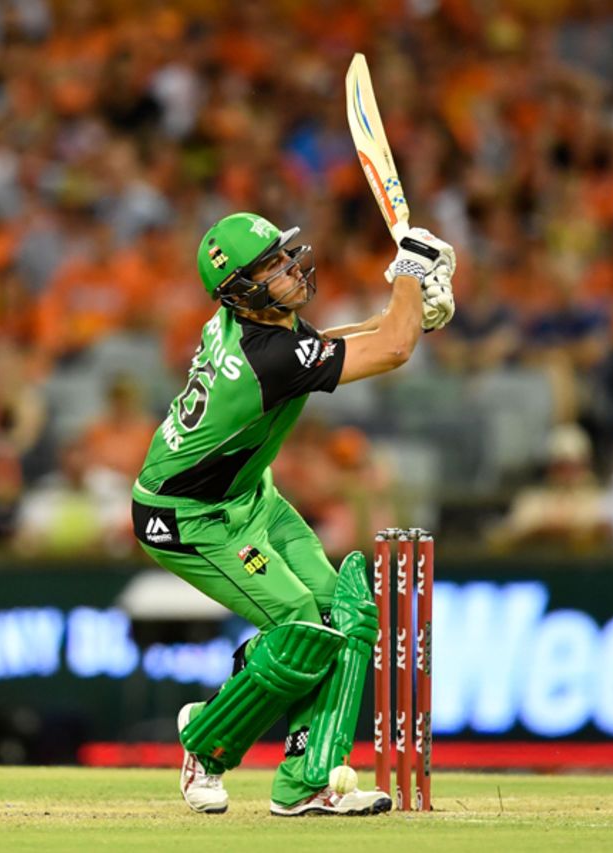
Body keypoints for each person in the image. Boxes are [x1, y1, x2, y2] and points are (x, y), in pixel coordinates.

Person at [130, 212, 455, 816]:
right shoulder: (267, 359)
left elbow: (334, 343)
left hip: (251, 494)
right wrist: (408, 277)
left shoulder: (251, 323)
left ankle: (307, 780)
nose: (289, 269)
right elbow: (390, 350)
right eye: (271, 266)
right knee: (301, 624)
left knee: (346, 611)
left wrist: (409, 309)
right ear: (243, 290)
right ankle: (206, 739)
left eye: (284, 256)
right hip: (187, 517)